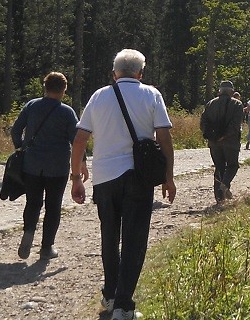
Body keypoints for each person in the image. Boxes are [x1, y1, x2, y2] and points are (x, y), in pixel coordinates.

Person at [71, 49, 176, 320]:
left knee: (109, 236)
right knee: (134, 240)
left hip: (105, 178)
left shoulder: (98, 96)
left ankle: (109, 294)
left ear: (114, 72)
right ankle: (123, 305)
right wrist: (168, 176)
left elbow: (80, 139)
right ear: (141, 73)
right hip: (138, 178)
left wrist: (76, 176)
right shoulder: (152, 95)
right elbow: (164, 138)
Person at [10, 71, 84, 261]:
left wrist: (20, 147)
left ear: (45, 87)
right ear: (64, 90)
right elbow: (76, 140)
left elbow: (16, 129)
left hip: (32, 164)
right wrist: (82, 163)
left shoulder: (31, 106)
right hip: (57, 167)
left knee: (33, 202)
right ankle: (46, 247)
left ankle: (28, 233)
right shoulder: (67, 112)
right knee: (53, 206)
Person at [201, 80, 244, 203]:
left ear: (219, 91)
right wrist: (224, 136)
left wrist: (210, 136)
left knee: (219, 167)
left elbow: (203, 123)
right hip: (231, 142)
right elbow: (235, 125)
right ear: (231, 92)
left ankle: (219, 199)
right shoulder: (237, 104)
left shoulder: (210, 104)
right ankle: (225, 185)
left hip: (214, 143)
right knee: (232, 165)